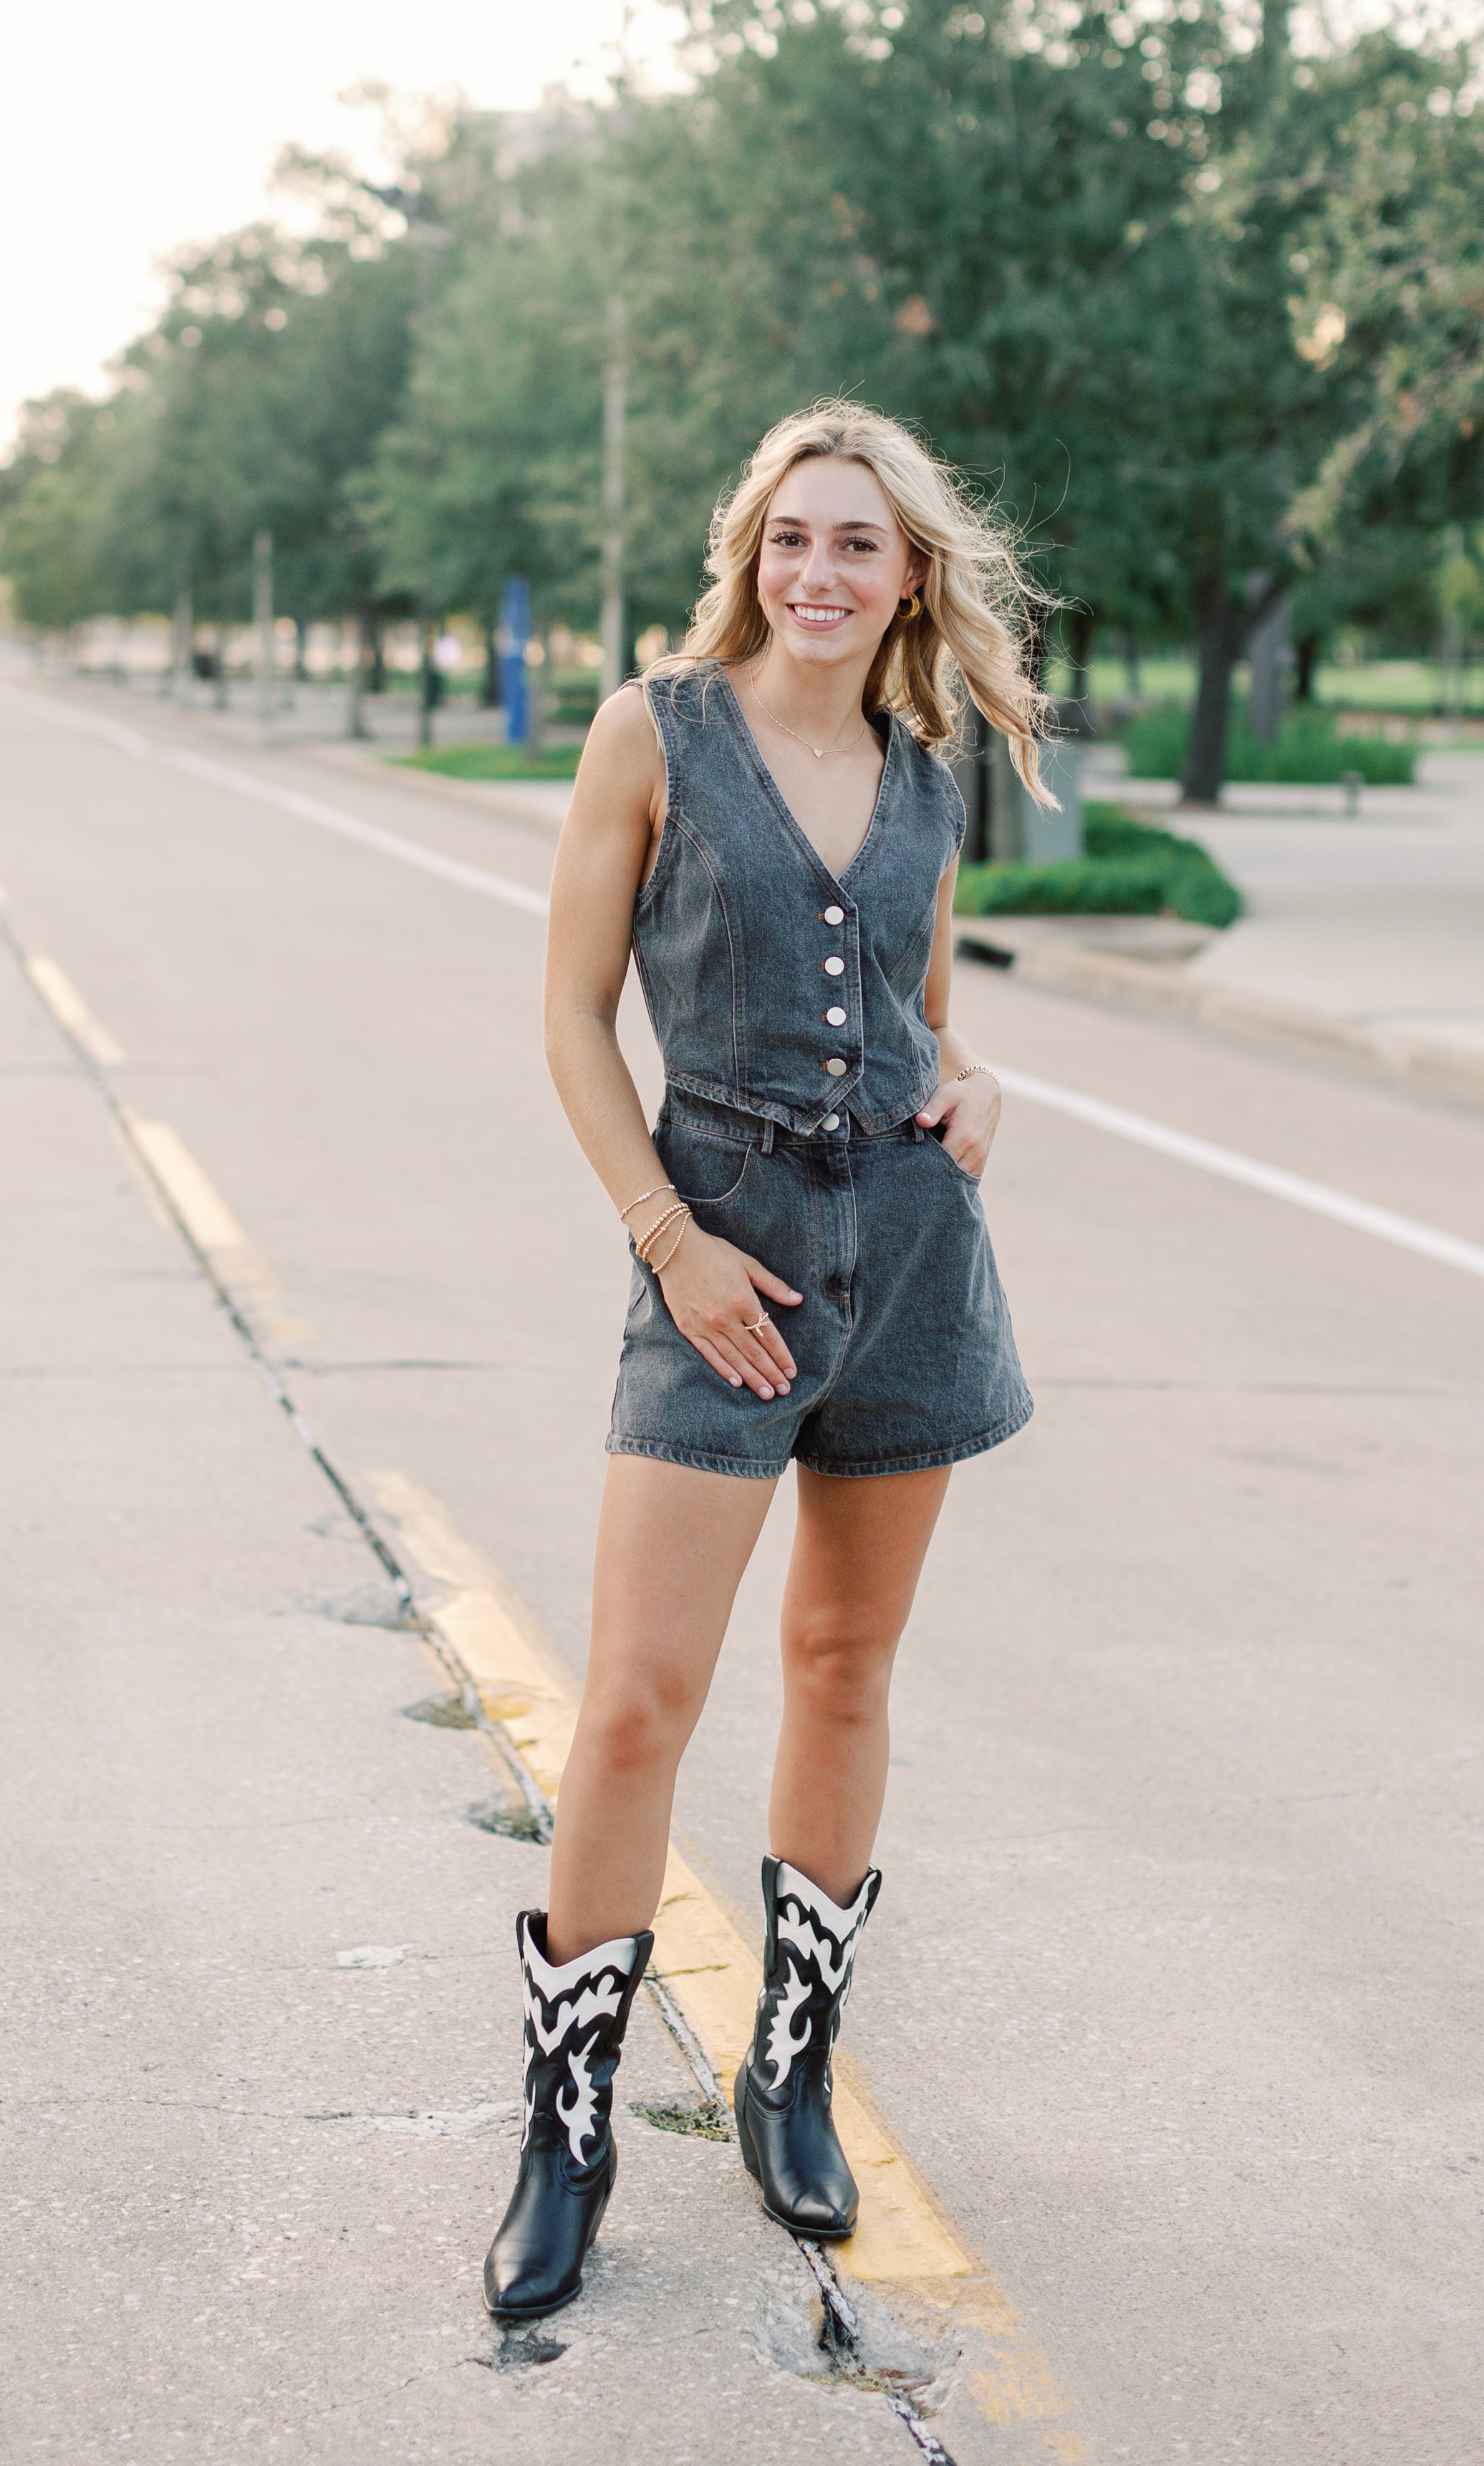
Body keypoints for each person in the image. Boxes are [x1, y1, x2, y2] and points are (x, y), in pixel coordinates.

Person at [483, 402, 1051, 2320]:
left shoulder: (921, 775)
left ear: (909, 580)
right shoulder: (653, 729)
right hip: (714, 1257)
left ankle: (787, 2069)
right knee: (635, 1698)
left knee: (840, 1660)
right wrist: (670, 1236)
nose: (820, 573)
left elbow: (924, 1023)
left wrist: (972, 1092)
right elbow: (568, 1019)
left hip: (904, 1257)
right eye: (793, 538)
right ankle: (565, 2128)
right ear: (751, 551)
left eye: (859, 547)